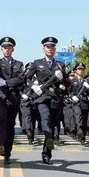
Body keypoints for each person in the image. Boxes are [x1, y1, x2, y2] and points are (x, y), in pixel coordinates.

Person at [25, 36, 69, 165]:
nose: (50, 49)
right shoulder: (37, 63)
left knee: (52, 124)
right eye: (47, 47)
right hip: (42, 97)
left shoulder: (60, 65)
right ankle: (49, 138)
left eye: (52, 47)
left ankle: (46, 154)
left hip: (55, 98)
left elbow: (67, 83)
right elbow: (26, 78)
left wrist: (62, 78)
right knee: (45, 118)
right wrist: (33, 86)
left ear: (55, 49)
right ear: (43, 49)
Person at [0, 36, 25, 164]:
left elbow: (21, 79)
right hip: (1, 96)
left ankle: (7, 152)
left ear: (12, 49)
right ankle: (0, 143)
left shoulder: (19, 64)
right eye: (4, 47)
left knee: (10, 124)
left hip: (13, 98)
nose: (7, 49)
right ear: (1, 49)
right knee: (2, 120)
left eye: (9, 47)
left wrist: (6, 82)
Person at [69, 62, 89, 146]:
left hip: (84, 102)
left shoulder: (87, 82)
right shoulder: (73, 81)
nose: (81, 71)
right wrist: (72, 97)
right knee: (78, 118)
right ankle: (80, 135)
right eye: (79, 69)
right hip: (76, 103)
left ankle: (83, 137)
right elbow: (69, 91)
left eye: (82, 69)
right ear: (76, 71)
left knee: (84, 121)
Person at [19, 63, 37, 145]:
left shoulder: (37, 79)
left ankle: (31, 136)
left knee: (33, 120)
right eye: (28, 69)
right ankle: (28, 131)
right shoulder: (22, 79)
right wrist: (22, 94)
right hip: (25, 101)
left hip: (34, 101)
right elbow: (18, 88)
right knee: (27, 117)